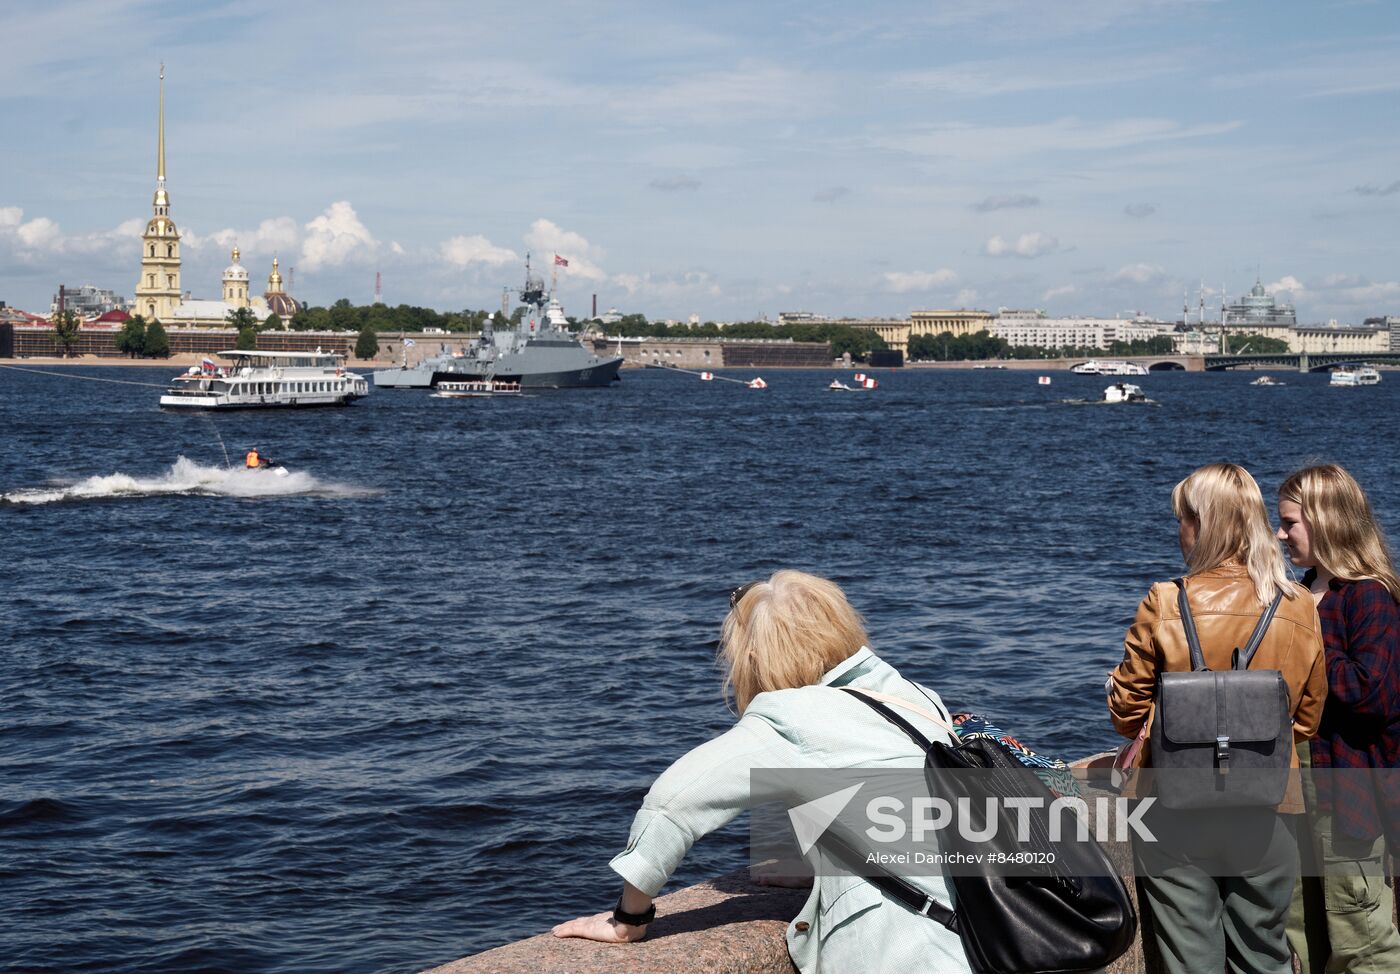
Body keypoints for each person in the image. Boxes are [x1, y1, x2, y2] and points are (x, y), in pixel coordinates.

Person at [552, 570, 971, 973]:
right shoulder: (912, 696)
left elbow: (673, 804)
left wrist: (628, 919)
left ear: (754, 656)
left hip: (913, 950)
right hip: (993, 922)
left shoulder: (790, 716)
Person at [1108, 462, 1326, 974]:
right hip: (1269, 805)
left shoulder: (1166, 601)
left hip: (1174, 809)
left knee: (1189, 959)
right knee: (1264, 955)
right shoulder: (1297, 605)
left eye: (1181, 518)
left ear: (1203, 524)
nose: (1177, 530)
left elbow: (1126, 714)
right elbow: (1307, 718)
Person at [1278, 464, 1400, 973]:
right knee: (1298, 928)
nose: (1280, 534)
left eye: (1290, 523)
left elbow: (1375, 693)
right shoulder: (1305, 590)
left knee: (1360, 933)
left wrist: (1305, 650)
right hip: (1297, 791)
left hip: (1347, 795)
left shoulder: (1367, 594)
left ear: (1327, 521)